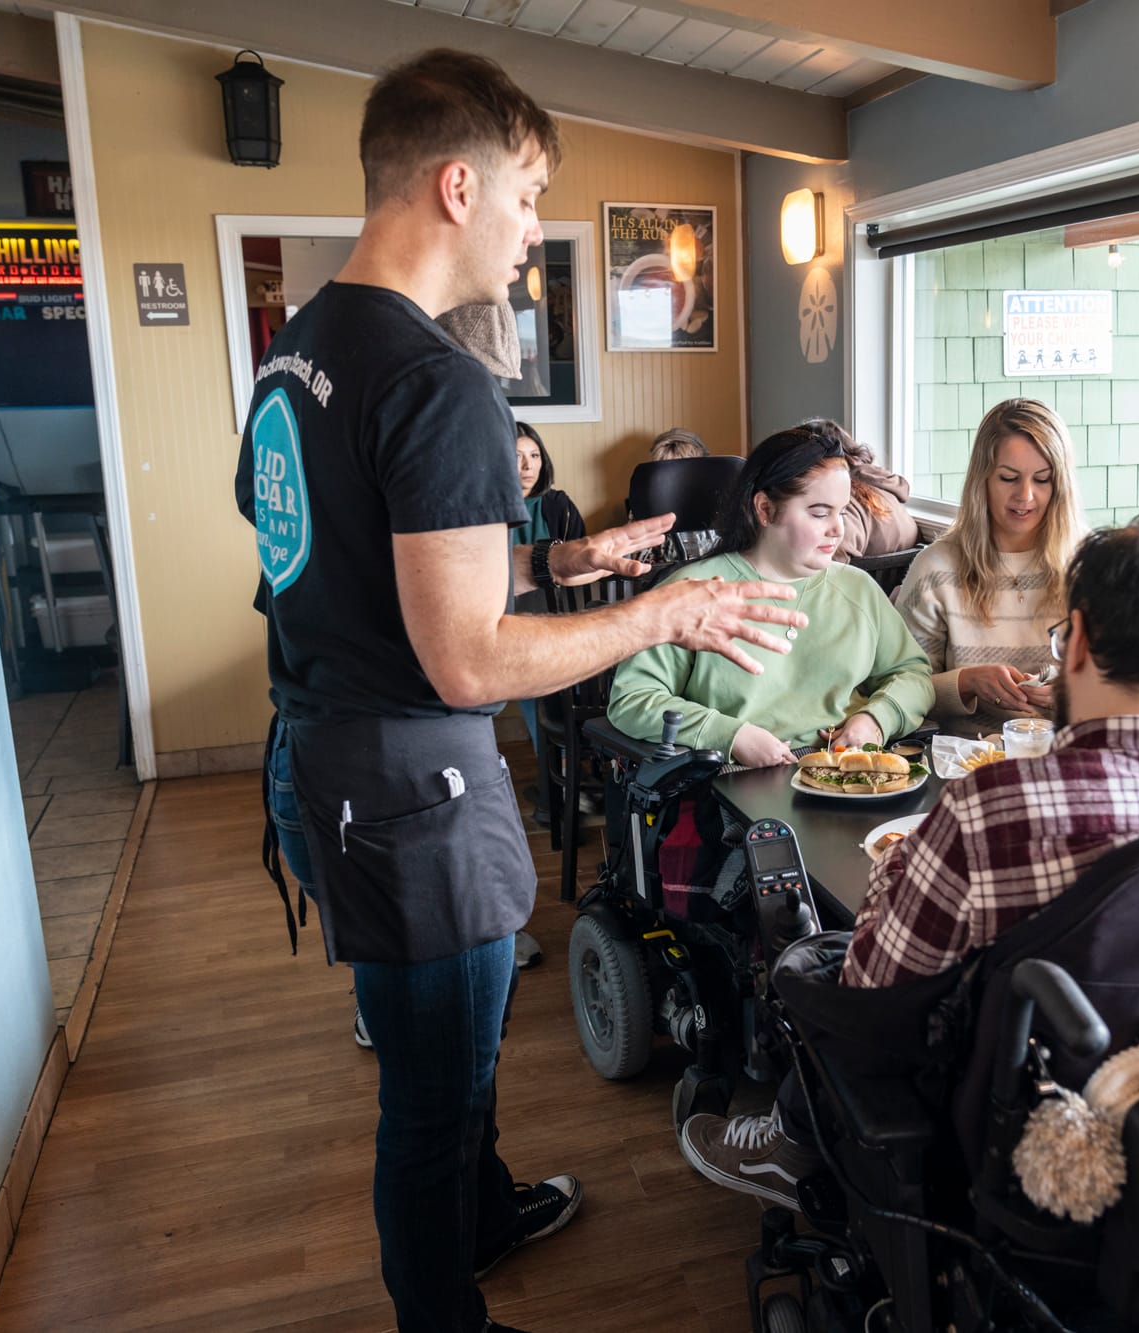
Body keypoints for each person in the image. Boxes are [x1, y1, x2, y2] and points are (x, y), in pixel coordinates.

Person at [235, 49, 805, 1333]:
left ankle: (483, 1218)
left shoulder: (302, 350)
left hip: (325, 759)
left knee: (457, 1063)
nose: (533, 227)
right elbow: (468, 659)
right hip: (409, 791)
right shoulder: (438, 381)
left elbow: (366, 562)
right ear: (456, 185)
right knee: (431, 1094)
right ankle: (447, 1314)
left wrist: (558, 558)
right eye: (531, 191)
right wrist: (660, 606)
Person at [677, 512, 1139, 1208]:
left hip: (1031, 1139)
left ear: (1079, 643)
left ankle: (789, 1149)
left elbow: (873, 996)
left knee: (819, 967)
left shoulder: (996, 810)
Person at [607, 420, 934, 765]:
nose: (837, 529)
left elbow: (914, 675)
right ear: (764, 509)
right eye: (819, 513)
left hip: (844, 771)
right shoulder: (692, 592)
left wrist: (875, 720)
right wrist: (729, 735)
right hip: (735, 778)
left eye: (842, 511)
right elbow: (632, 699)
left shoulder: (858, 588)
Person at [894, 398, 1084, 732]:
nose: (1025, 496)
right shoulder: (936, 569)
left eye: (1042, 480)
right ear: (982, 480)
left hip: (1067, 757)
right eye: (1009, 478)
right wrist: (965, 683)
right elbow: (897, 688)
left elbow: (1126, 683)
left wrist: (1075, 695)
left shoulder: (1088, 564)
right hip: (967, 759)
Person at [508, 421, 583, 768]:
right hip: (509, 620)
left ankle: (567, 769)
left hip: (561, 616)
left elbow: (579, 568)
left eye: (534, 455)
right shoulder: (488, 508)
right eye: (517, 456)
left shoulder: (557, 505)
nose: (528, 466)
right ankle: (558, 771)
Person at [833, 431, 918, 561]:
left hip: (859, 579)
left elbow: (835, 564)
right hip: (902, 579)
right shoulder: (889, 491)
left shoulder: (843, 501)